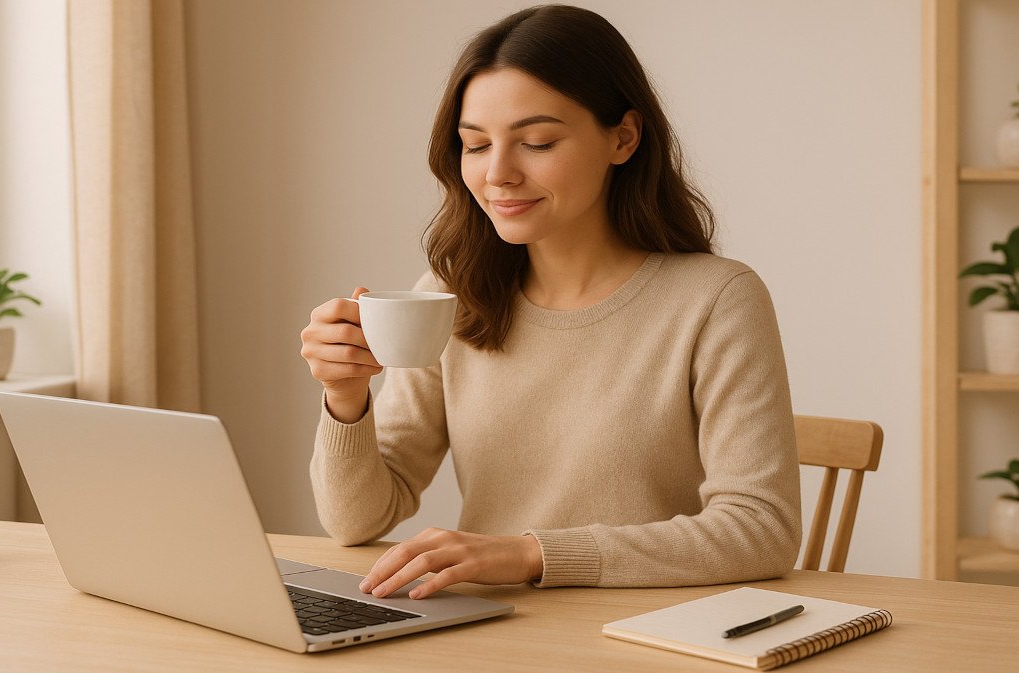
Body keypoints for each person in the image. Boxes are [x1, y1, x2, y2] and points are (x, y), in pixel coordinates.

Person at [300, 4, 800, 601]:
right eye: (476, 145)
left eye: (536, 142)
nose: (498, 174)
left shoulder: (715, 299)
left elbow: (762, 531)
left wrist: (533, 554)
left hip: (648, 634)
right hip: (492, 634)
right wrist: (345, 397)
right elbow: (356, 520)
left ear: (623, 137)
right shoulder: (450, 297)